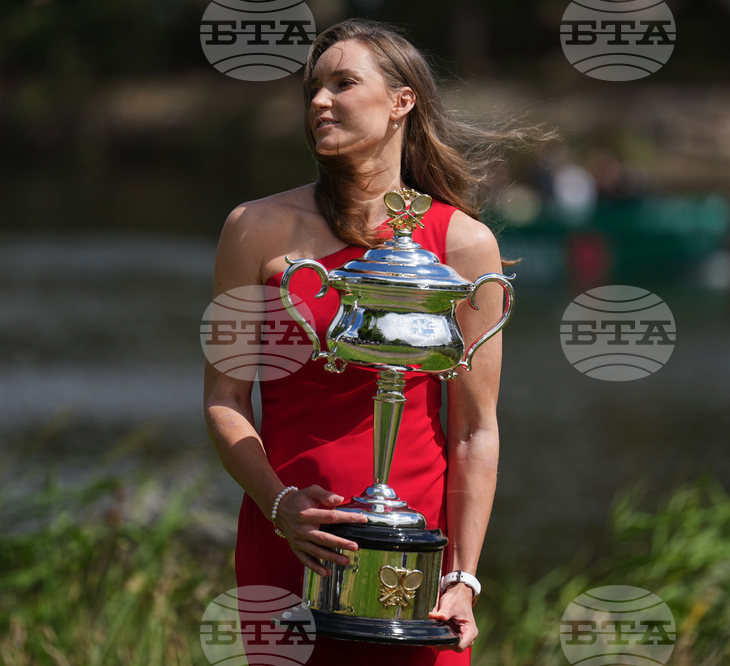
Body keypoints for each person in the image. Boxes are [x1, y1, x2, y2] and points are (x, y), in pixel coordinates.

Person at [204, 18, 524, 665]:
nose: (319, 101)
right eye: (313, 89)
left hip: (416, 565)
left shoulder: (464, 244)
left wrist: (463, 577)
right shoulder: (254, 230)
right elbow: (224, 399)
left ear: (402, 101)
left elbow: (474, 431)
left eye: (342, 83)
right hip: (288, 544)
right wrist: (280, 504)